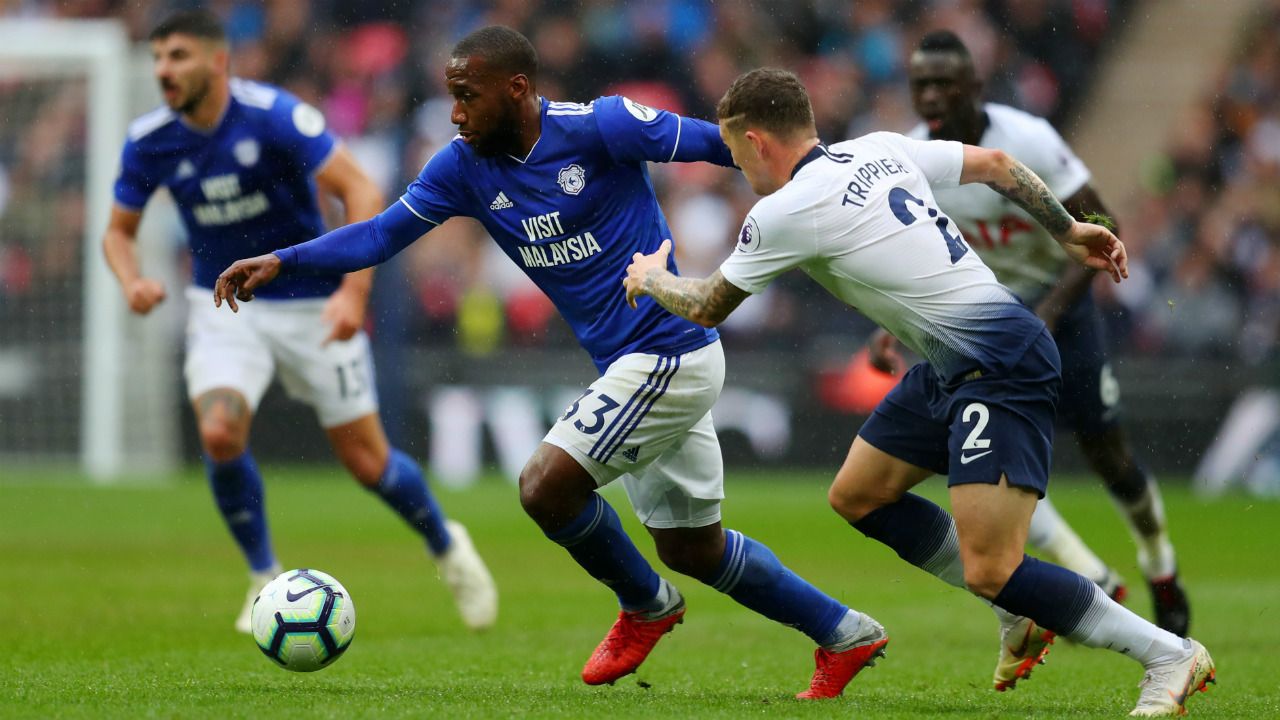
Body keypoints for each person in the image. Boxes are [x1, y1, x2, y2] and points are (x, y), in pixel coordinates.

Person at [213, 25, 889, 699]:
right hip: (635, 366)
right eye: (452, 97)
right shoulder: (462, 167)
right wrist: (285, 260)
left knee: (544, 487)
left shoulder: (603, 126)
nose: (455, 113)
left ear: (516, 89)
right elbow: (381, 234)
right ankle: (845, 632)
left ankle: (646, 605)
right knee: (693, 548)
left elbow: (733, 145)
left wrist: (825, 189)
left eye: (467, 96)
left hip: (668, 353)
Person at [624, 67, 1214, 717]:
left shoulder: (783, 212)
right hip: (952, 364)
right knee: (859, 495)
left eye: (735, 152)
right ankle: (1016, 614)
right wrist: (1069, 231)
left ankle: (1168, 653)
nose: (738, 166)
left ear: (757, 141)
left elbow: (706, 305)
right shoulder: (879, 148)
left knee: (994, 568)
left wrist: (650, 277)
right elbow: (997, 165)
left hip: (998, 364)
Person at [101, 10, 496, 634]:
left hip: (313, 304)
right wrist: (132, 281)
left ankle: (447, 546)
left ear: (218, 61)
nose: (164, 71)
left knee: (368, 464)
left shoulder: (274, 116)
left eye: (178, 56)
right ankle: (263, 576)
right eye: (158, 59)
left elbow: (361, 191)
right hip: (224, 306)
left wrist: (353, 295)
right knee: (220, 432)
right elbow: (118, 233)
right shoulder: (150, 139)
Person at [875, 29, 1189, 637]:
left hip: (1061, 308)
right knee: (983, 460)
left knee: (1108, 456)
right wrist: (884, 323)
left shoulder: (1027, 140)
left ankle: (1160, 562)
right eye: (921, 85)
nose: (931, 96)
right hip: (988, 324)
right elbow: (903, 252)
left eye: (944, 83)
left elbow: (1102, 221)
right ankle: (1091, 573)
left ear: (975, 86)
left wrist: (1049, 309)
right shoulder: (910, 158)